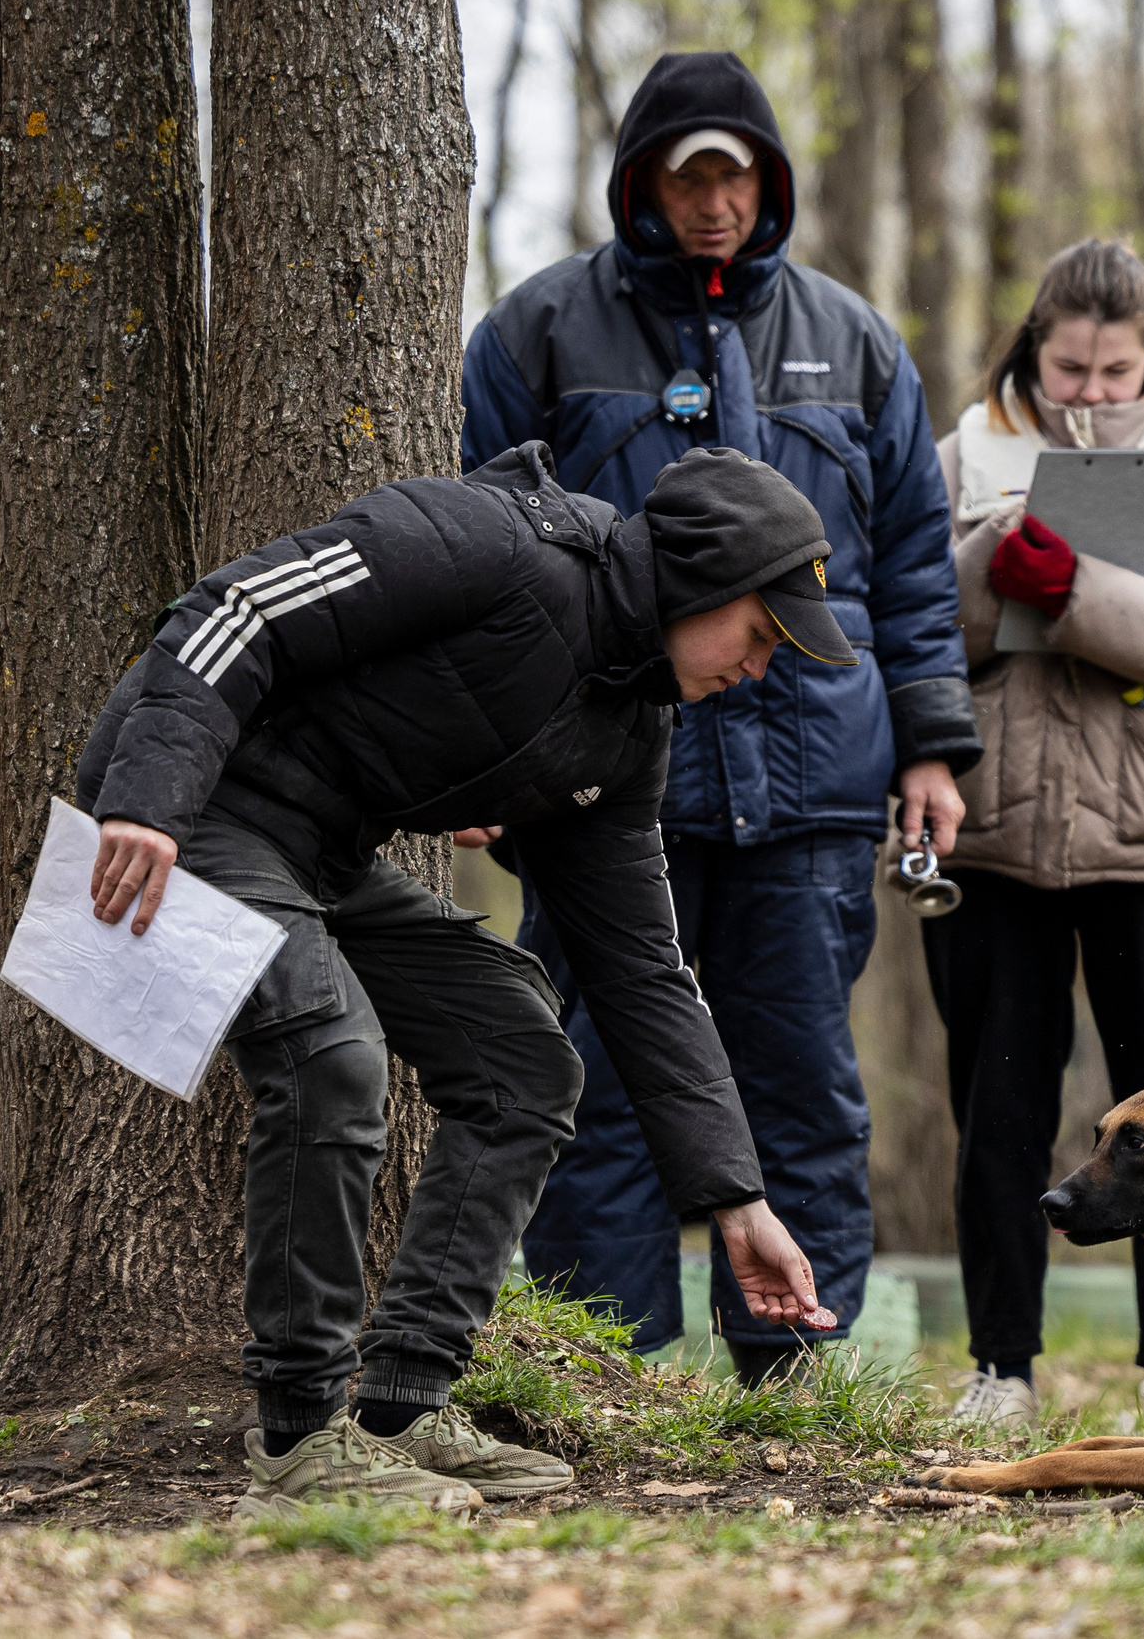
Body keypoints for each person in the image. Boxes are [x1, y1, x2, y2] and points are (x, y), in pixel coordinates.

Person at [76, 443, 846, 1517]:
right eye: (758, 636)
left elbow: (642, 970)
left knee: (524, 1056)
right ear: (700, 583)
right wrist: (144, 800)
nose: (756, 669)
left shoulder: (628, 734)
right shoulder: (492, 544)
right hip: (185, 815)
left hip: (321, 852)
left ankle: (400, 1403)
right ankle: (299, 1445)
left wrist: (734, 1199)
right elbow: (237, 609)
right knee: (328, 1051)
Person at [459, 50, 979, 1383]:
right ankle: (611, 1377)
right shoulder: (538, 335)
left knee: (801, 1086)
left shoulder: (854, 341)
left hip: (812, 788)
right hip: (602, 786)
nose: (713, 204)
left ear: (770, 184)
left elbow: (914, 562)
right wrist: (498, 755)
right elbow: (487, 558)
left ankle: (796, 1375)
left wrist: (929, 743)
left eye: (735, 177)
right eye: (689, 177)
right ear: (642, 182)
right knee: (601, 1088)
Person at [921, 239, 1144, 1426]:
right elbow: (908, 621)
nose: (1087, 392)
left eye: (1113, 371)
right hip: (994, 830)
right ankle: (1001, 1367)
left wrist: (1072, 591)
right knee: (1000, 1101)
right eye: (1067, 367)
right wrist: (993, 565)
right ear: (1033, 352)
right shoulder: (955, 462)